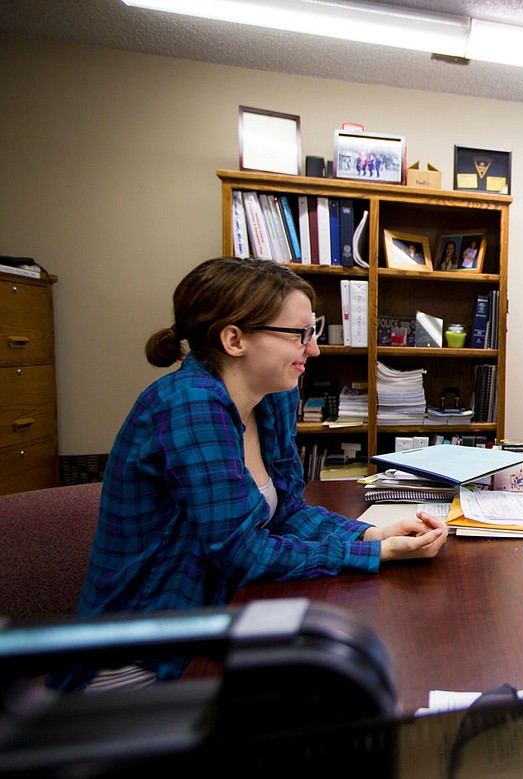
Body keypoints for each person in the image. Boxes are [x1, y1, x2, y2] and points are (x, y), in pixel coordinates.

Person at [72, 257, 447, 691]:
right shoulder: (188, 405)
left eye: (315, 332)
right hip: (146, 656)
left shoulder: (271, 396)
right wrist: (376, 555)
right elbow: (243, 554)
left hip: (217, 621)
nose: (314, 349)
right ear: (234, 339)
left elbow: (287, 511)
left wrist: (370, 536)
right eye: (300, 335)